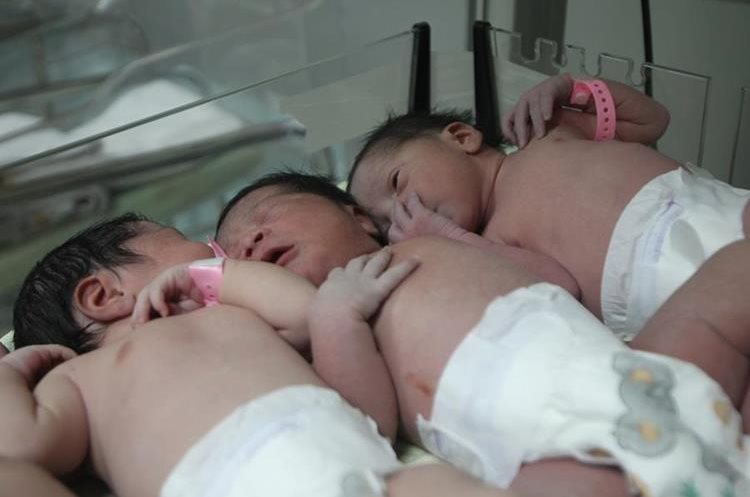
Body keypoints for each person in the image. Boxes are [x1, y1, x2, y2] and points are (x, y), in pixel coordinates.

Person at [214, 171, 750, 497]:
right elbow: (367, 423)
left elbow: (560, 282)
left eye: (266, 215)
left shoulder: (437, 246)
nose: (253, 239)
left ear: (359, 217)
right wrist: (336, 319)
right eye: (237, 253)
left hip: (648, 377)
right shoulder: (329, 324)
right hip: (555, 452)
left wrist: (457, 236)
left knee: (733, 268)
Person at [5, 212, 522, 497]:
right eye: (195, 244)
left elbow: (310, 313)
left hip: (363, 473)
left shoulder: (234, 315)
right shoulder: (78, 379)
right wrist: (11, 372)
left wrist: (215, 278)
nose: (217, 252)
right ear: (102, 296)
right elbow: (24, 448)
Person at [346, 73, 750, 344]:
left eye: (398, 183)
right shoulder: (489, 243)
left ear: (461, 137)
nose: (402, 210)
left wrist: (572, 90)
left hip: (715, 208)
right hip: (665, 293)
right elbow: (561, 286)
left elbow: (652, 121)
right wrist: (453, 241)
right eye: (387, 222)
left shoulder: (547, 134)